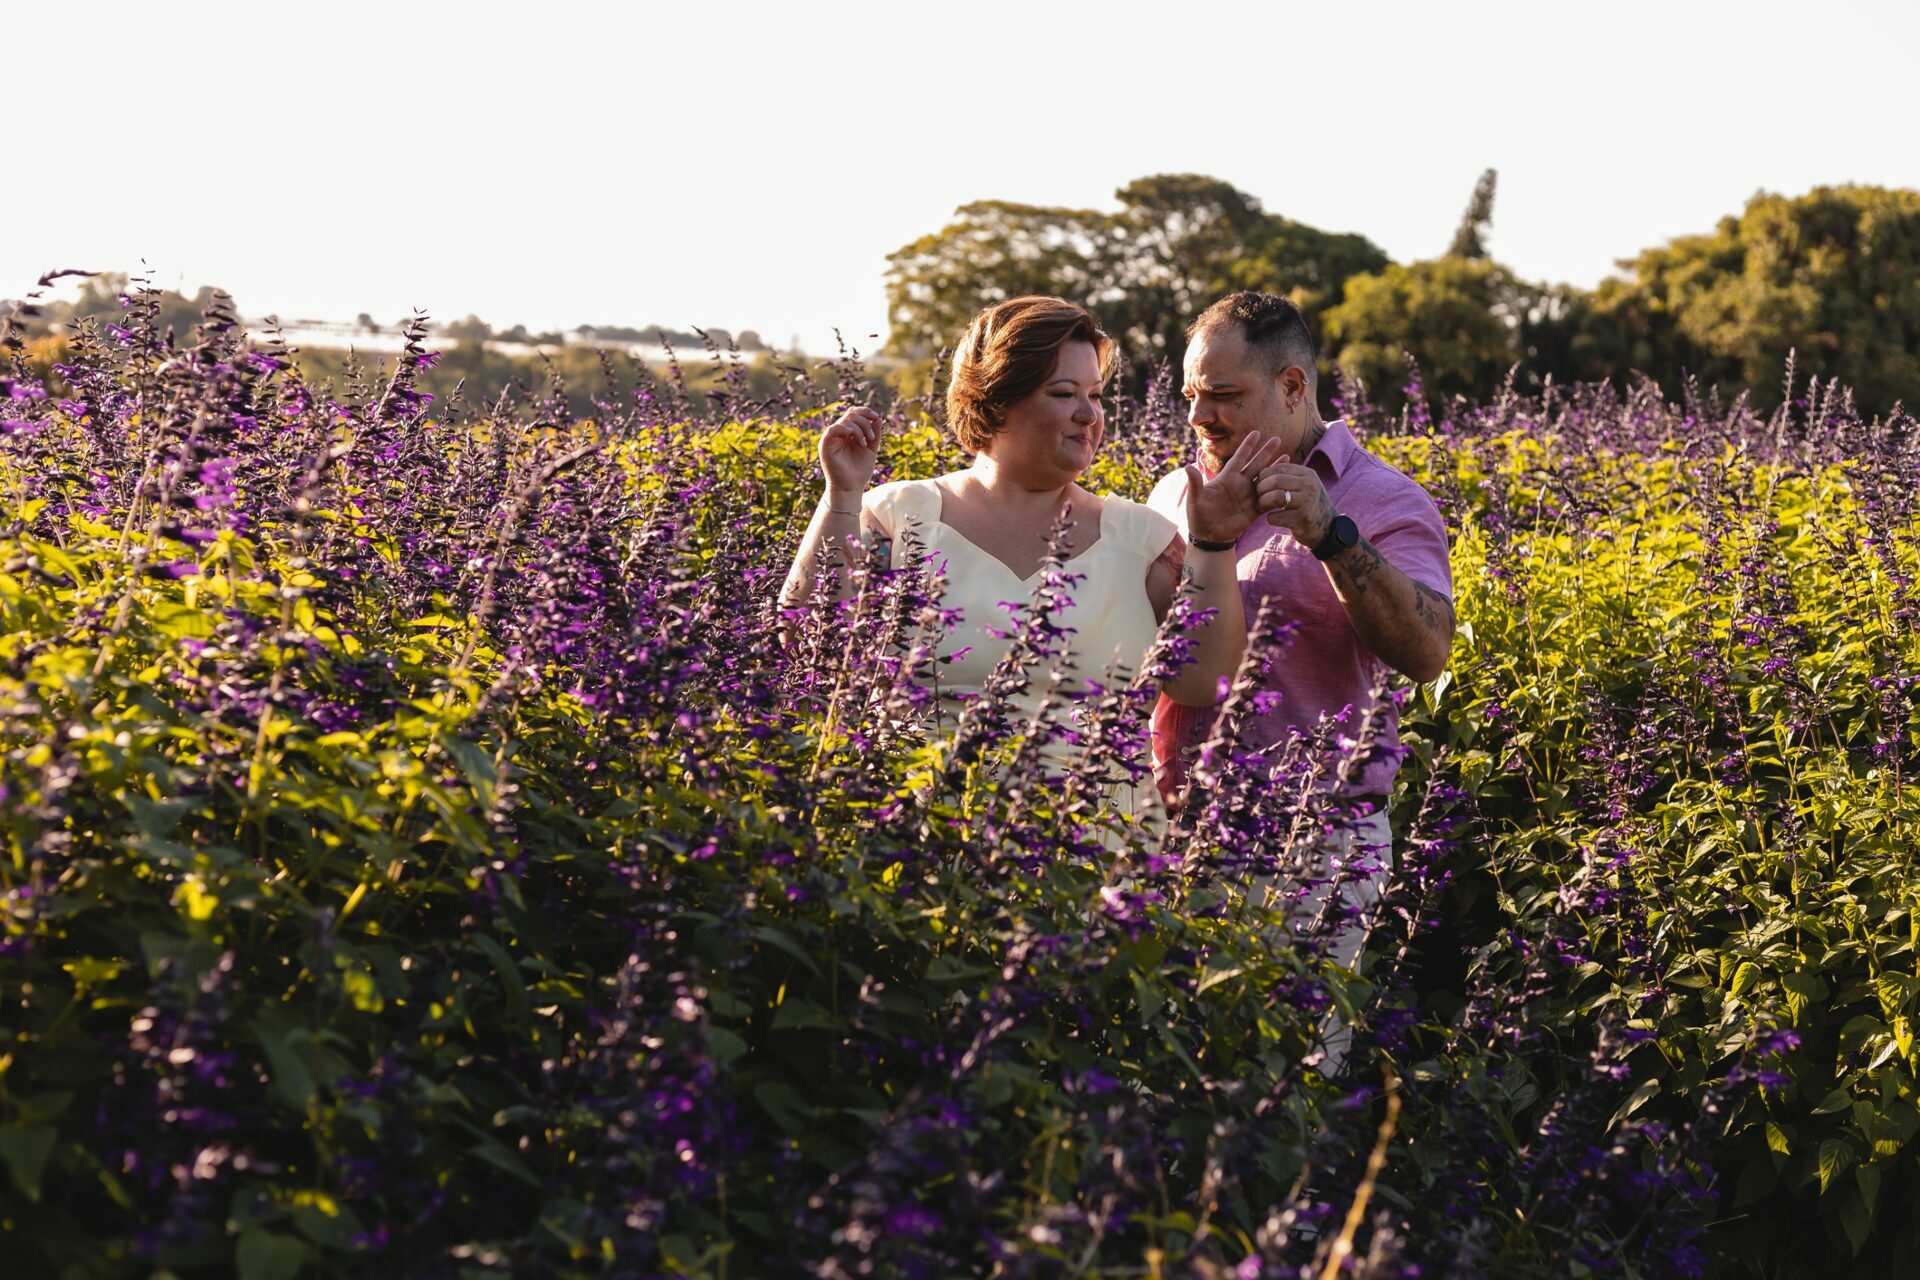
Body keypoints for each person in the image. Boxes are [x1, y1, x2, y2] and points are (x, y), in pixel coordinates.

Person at [781, 295, 1287, 817]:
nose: (1089, 414)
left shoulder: (1142, 539)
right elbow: (807, 644)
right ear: (995, 400)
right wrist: (842, 496)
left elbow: (1204, 683)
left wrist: (1213, 542)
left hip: (1096, 844)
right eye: (1063, 393)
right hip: (918, 837)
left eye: (1096, 395)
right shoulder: (896, 517)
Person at [1148, 290, 1455, 1026]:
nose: (1199, 417)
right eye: (1191, 396)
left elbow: (1428, 652)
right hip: (1173, 829)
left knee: (1293, 1069)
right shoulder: (1175, 493)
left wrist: (1331, 535)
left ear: (1292, 386)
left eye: (1224, 395)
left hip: (1312, 843)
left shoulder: (1382, 498)